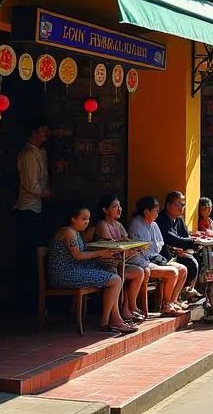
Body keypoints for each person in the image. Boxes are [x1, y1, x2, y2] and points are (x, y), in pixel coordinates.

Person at [46, 203, 132, 335]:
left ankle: (115, 318)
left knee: (111, 269)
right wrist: (100, 254)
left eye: (88, 219)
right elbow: (78, 256)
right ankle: (104, 322)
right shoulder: (68, 232)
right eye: (83, 219)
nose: (87, 222)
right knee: (115, 280)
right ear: (73, 219)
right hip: (65, 274)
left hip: (76, 270)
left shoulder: (76, 232)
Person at [14, 119, 52, 310]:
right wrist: (47, 193)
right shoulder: (29, 154)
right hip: (28, 209)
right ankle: (28, 301)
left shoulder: (38, 153)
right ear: (33, 132)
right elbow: (31, 185)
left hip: (36, 208)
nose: (46, 133)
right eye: (43, 130)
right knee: (30, 256)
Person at [128, 196, 186, 316]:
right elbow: (141, 250)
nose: (157, 213)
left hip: (155, 258)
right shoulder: (137, 224)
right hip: (143, 261)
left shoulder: (153, 224)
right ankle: (166, 304)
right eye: (156, 211)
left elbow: (159, 245)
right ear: (146, 212)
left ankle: (173, 301)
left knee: (183, 269)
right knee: (172, 272)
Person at [95, 194, 146, 323]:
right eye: (114, 206)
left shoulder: (119, 225)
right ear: (105, 210)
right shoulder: (103, 225)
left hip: (119, 264)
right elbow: (112, 248)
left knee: (139, 272)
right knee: (119, 276)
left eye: (119, 206)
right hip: (106, 265)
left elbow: (127, 242)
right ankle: (118, 314)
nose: (119, 209)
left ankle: (131, 306)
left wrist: (136, 247)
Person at [156, 191, 202, 302]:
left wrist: (192, 244)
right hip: (165, 255)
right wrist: (192, 242)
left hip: (178, 252)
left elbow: (185, 236)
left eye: (182, 205)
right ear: (168, 205)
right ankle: (177, 296)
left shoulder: (179, 219)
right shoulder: (161, 219)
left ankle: (189, 289)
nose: (181, 208)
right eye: (177, 205)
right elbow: (171, 239)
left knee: (201, 255)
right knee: (190, 262)